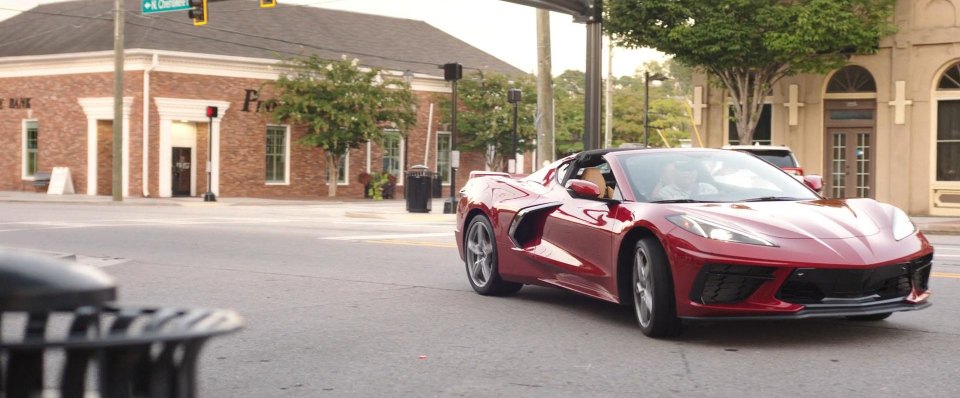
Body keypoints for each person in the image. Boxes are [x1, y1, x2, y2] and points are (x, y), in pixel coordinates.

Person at [651, 160, 718, 201]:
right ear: (674, 173)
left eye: (690, 170)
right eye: (682, 170)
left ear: (696, 173)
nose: (686, 173)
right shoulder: (666, 192)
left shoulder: (709, 189)